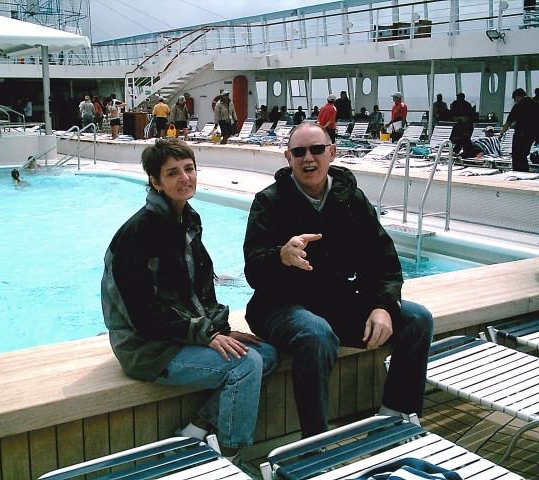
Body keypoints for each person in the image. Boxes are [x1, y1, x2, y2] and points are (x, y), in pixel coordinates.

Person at [242, 122, 433, 439]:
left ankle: (396, 415)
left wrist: (382, 306)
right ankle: (315, 442)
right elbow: (253, 270)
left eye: (317, 150)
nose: (308, 159)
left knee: (417, 319)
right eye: (299, 152)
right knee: (317, 333)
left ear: (332, 152)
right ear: (288, 157)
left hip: (334, 303)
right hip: (278, 306)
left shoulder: (351, 200)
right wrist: (280, 256)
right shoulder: (269, 202)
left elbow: (382, 260)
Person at [101, 138, 278, 471]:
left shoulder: (185, 222)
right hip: (148, 348)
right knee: (246, 365)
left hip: (178, 337)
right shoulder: (138, 234)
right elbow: (143, 313)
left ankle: (195, 430)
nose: (185, 178)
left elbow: (199, 292)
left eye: (189, 169)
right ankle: (229, 456)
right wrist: (207, 336)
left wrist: (222, 331)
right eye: (172, 173)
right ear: (155, 182)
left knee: (266, 355)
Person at [499, 88, 539, 172]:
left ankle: (519, 171)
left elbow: (508, 122)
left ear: (517, 97)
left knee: (517, 155)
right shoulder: (535, 105)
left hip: (521, 133)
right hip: (532, 134)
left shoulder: (519, 105)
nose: (515, 101)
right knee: (524, 154)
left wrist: (501, 133)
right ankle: (525, 171)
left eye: (515, 99)